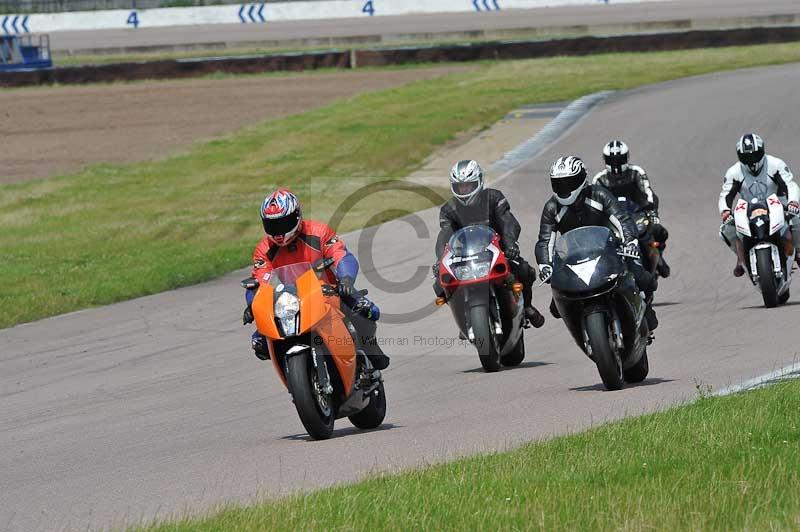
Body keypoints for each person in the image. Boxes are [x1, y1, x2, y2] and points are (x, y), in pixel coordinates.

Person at [242, 189, 390, 370]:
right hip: (289, 303)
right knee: (260, 342)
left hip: (328, 291)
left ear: (297, 216)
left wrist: (346, 279)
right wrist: (253, 304)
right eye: (273, 225)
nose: (279, 231)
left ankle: (370, 349)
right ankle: (294, 373)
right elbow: (259, 279)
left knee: (366, 311)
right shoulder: (264, 250)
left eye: (283, 223)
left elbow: (341, 255)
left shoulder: (319, 232)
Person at [535, 155, 658, 330]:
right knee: (556, 307)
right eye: (559, 184)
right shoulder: (552, 208)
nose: (564, 188)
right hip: (574, 257)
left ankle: (645, 310)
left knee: (642, 278)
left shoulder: (599, 195)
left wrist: (629, 242)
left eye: (569, 182)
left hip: (609, 249)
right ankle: (583, 329)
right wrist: (545, 265)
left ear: (582, 179)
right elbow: (545, 240)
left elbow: (621, 219)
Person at [434, 159, 545, 328]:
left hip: (498, 251)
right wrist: (440, 260)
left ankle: (527, 307)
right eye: (460, 187)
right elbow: (445, 235)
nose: (464, 190)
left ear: (479, 182)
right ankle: (463, 318)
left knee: (524, 270)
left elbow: (508, 222)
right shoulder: (448, 210)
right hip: (464, 258)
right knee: (439, 285)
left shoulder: (494, 198)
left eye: (468, 186)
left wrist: (511, 245)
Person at [719, 133, 800, 277]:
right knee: (726, 229)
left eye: (755, 155)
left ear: (762, 151)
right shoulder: (734, 172)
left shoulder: (776, 164)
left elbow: (790, 184)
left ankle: (798, 251)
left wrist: (793, 202)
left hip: (777, 204)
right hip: (749, 210)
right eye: (747, 157)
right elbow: (726, 194)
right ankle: (741, 259)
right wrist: (725, 211)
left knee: (797, 218)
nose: (752, 161)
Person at [592, 139, 670, 277]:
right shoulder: (599, 180)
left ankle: (657, 256)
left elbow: (648, 194)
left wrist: (652, 215)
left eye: (619, 160)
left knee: (660, 232)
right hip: (613, 221)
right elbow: (594, 204)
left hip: (637, 216)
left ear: (626, 158)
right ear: (605, 160)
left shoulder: (636, 172)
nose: (616, 164)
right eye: (612, 160)